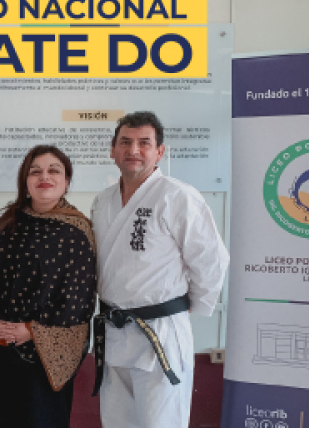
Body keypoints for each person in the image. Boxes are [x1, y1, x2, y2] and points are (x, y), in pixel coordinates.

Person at [91, 111, 230, 428]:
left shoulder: (178, 196)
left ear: (160, 152)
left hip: (160, 332)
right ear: (113, 150)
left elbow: (210, 258)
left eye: (144, 143)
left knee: (161, 422)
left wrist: (187, 306)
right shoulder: (103, 200)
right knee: (117, 421)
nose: (133, 150)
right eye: (125, 142)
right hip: (114, 331)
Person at [0, 145, 97, 428]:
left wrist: (32, 330)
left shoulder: (77, 231)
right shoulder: (8, 222)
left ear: (66, 181)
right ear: (25, 181)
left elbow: (79, 299)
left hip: (50, 353)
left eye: (53, 171)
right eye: (35, 171)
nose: (44, 177)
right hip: (9, 344)